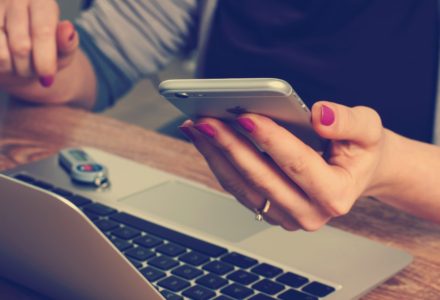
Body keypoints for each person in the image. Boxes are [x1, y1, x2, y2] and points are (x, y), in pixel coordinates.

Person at [0, 0, 439, 230]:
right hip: (214, 208)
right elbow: (98, 59)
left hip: (406, 243)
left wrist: (388, 168)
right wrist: (30, 56)